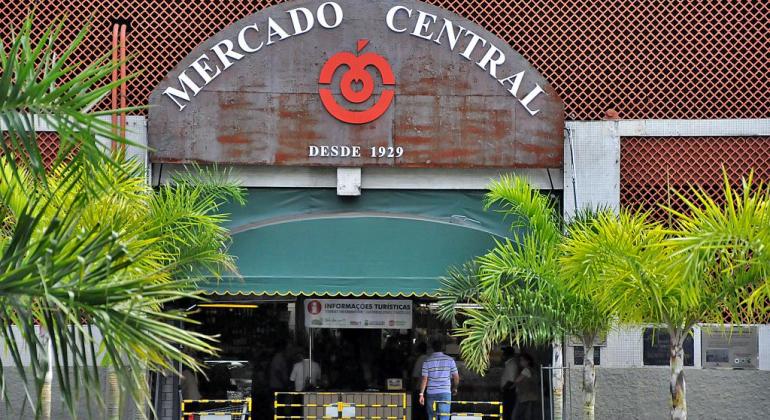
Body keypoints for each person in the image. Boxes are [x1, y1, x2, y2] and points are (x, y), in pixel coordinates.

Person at [419, 339, 459, 420]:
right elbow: (456, 377)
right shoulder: (450, 360)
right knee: (444, 416)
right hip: (445, 392)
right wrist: (455, 388)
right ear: (443, 348)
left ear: (432, 348)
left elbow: (424, 379)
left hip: (431, 393)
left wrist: (421, 394)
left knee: (432, 417)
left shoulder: (427, 361)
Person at [512, 353, 540, 420]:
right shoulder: (531, 370)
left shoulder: (526, 370)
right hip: (531, 397)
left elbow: (517, 380)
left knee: (518, 416)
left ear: (527, 361)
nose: (520, 362)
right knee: (527, 415)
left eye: (522, 360)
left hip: (525, 397)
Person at [411, 342, 429, 420]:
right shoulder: (429, 358)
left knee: (419, 412)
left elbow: (415, 376)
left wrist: (413, 388)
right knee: (426, 412)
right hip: (429, 389)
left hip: (419, 389)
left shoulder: (420, 359)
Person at [500, 347, 519, 420]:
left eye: (504, 353)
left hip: (509, 391)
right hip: (507, 390)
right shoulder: (509, 364)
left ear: (508, 355)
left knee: (508, 412)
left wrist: (503, 389)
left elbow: (511, 381)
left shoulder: (512, 364)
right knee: (506, 411)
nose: (502, 355)